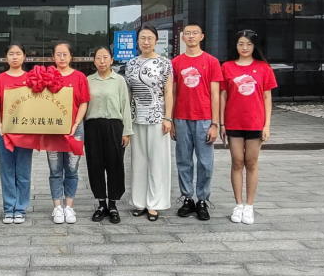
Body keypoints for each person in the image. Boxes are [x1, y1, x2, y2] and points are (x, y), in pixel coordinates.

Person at [219, 30, 276, 226]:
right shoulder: (227, 67)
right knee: (237, 162)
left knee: (251, 163)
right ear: (235, 46)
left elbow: (267, 97)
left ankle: (249, 206)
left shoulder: (263, 68)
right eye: (241, 44)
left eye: (249, 44)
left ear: (255, 46)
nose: (244, 47)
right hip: (233, 122)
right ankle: (238, 204)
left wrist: (267, 125)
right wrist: (222, 123)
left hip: (255, 122)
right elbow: (223, 96)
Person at [171, 23, 223, 221]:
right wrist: (172, 121)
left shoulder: (211, 61)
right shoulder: (176, 62)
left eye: (195, 33)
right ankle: (187, 198)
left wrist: (215, 124)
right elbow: (173, 93)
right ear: (182, 38)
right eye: (187, 33)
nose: (191, 36)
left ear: (202, 36)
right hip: (181, 117)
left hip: (204, 118)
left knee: (205, 162)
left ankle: (202, 199)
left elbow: (215, 95)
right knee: (183, 160)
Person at [125, 25, 174, 221]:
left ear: (156, 40)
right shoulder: (131, 64)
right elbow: (128, 93)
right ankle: (139, 202)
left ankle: (155, 203)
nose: (146, 42)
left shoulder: (165, 63)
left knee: (157, 161)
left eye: (150, 38)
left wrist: (168, 117)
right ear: (137, 41)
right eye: (142, 38)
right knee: (138, 161)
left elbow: (168, 92)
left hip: (157, 118)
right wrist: (126, 120)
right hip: (136, 118)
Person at [85, 46, 132, 224]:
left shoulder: (119, 80)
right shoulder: (88, 80)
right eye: (98, 58)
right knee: (95, 165)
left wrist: (126, 131)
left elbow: (125, 105)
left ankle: (113, 204)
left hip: (114, 126)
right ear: (94, 60)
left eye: (105, 57)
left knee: (115, 165)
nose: (102, 61)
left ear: (111, 60)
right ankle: (101, 203)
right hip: (92, 127)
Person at [0, 43, 34, 224]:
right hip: (5, 131)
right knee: (7, 170)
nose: (15, 57)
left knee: (23, 171)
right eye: (11, 54)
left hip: (25, 132)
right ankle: (9, 208)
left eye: (18, 53)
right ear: (6, 57)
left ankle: (21, 208)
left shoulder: (31, 79)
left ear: (24, 57)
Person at [47, 41, 90, 225]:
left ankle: (69, 206)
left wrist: (76, 124)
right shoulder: (48, 76)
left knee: (72, 169)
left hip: (75, 129)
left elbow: (83, 102)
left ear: (71, 56)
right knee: (55, 169)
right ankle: (57, 206)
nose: (62, 57)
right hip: (53, 130)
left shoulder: (79, 77)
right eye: (58, 54)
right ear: (53, 57)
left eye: (65, 54)